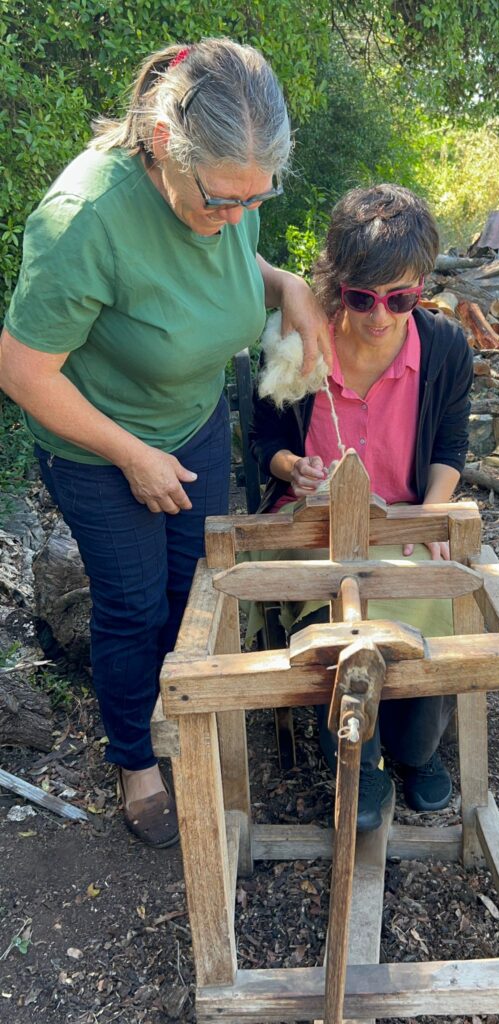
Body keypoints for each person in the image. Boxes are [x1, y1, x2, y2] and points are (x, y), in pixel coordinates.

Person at [0, 38, 329, 848]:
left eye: (256, 199)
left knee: (197, 589)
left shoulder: (230, 191)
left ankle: (185, 713)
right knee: (134, 605)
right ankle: (135, 758)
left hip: (194, 419)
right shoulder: (84, 221)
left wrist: (287, 286)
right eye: (221, 199)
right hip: (98, 444)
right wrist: (130, 455)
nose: (236, 217)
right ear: (160, 142)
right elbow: (22, 370)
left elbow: (231, 263)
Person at [250, 184, 473, 830]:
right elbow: (268, 442)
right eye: (361, 298)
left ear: (422, 287)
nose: (379, 316)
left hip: (401, 520)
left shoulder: (446, 350)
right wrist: (292, 467)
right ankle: (358, 753)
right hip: (312, 524)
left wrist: (433, 514)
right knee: (333, 622)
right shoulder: (299, 343)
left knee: (431, 609)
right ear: (337, 282)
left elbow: (450, 448)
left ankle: (414, 750)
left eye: (400, 299)